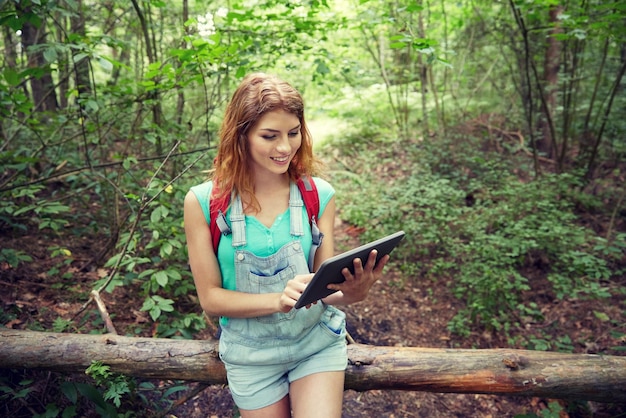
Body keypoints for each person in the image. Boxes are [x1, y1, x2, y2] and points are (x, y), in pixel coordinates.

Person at [184, 73, 389, 418]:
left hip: (315, 345)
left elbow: (325, 291)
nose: (284, 148)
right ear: (241, 135)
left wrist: (354, 292)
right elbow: (211, 299)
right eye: (269, 135)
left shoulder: (317, 195)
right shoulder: (203, 203)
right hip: (249, 357)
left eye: (293, 133)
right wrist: (277, 301)